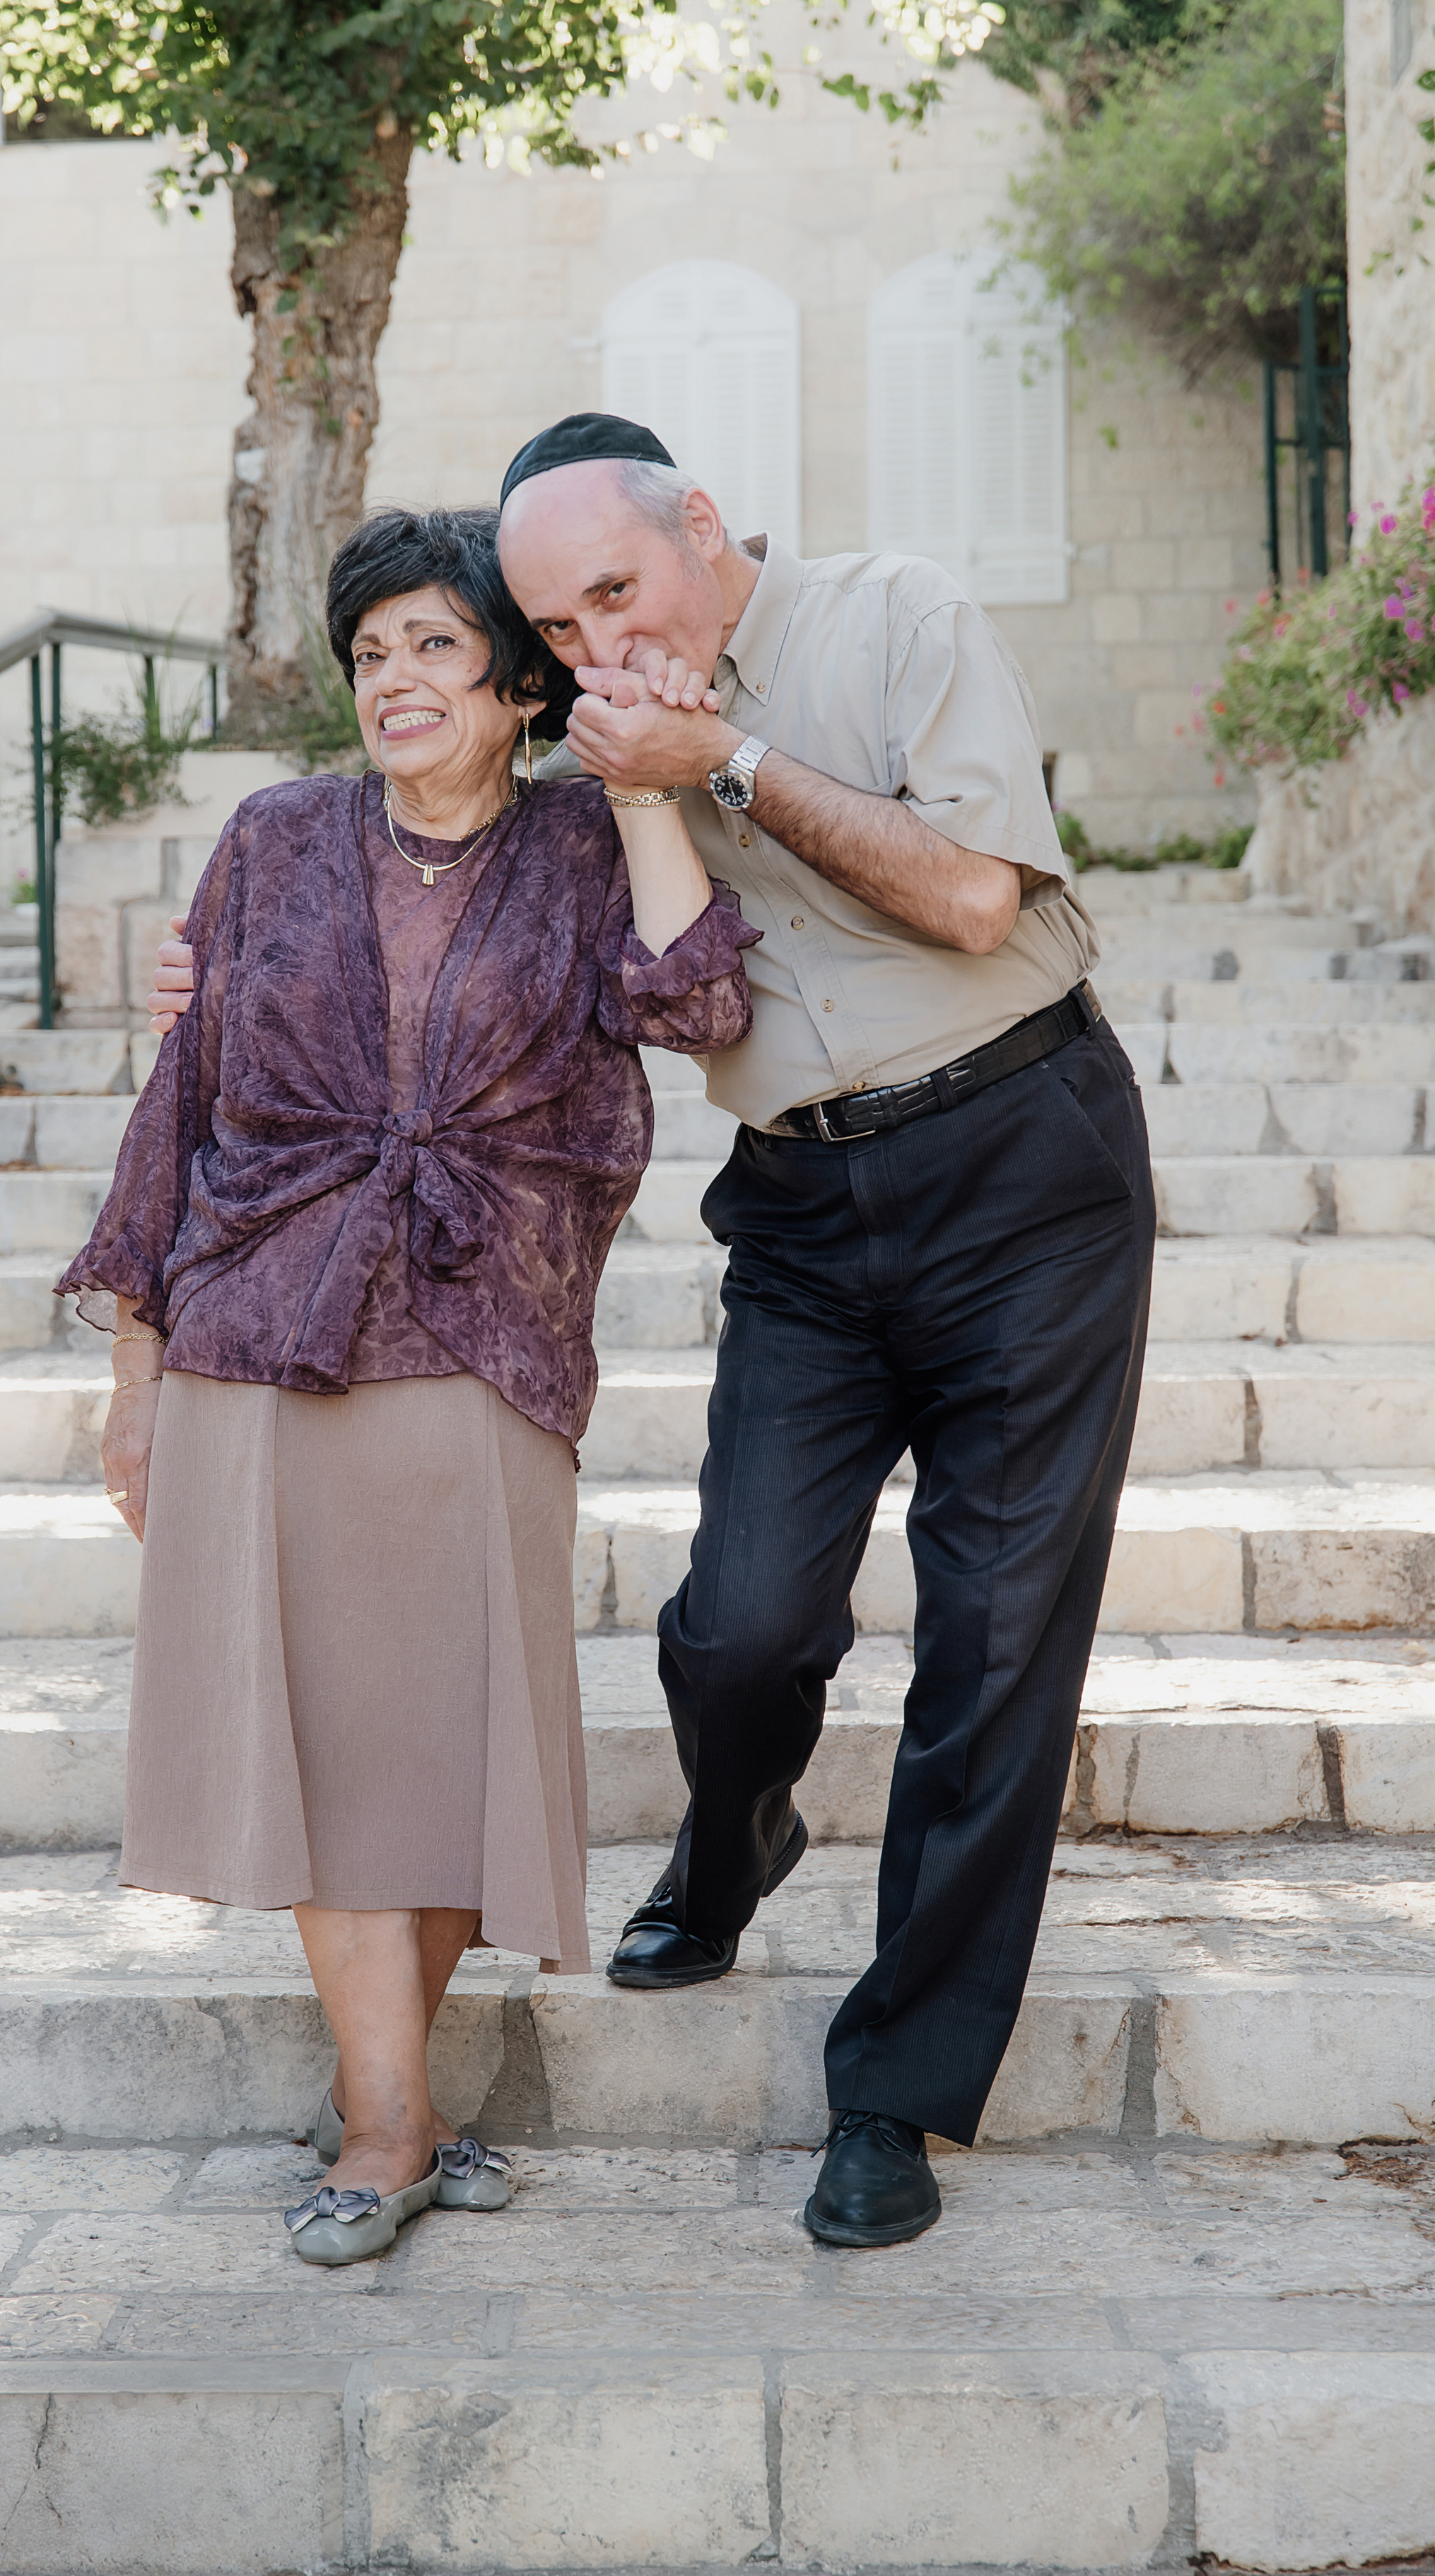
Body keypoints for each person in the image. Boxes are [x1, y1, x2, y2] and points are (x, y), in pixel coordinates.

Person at [62, 501, 756, 2269]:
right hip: (255, 1324)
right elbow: (186, 1101)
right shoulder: (274, 836)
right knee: (317, 1736)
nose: (396, 679)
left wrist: (644, 780)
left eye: (436, 645)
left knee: (441, 1746)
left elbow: (695, 1001)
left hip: (486, 1330)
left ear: (517, 683)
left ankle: (399, 2091)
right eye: (370, 653)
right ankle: (384, 2122)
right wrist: (134, 1363)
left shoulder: (587, 847)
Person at [491, 411, 1156, 2251]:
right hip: (798, 1203)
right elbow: (672, 1017)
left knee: (998, 1636)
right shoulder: (617, 761)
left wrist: (735, 760)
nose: (601, 651)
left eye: (618, 592)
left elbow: (966, 895)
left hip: (1025, 1158)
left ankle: (896, 2091)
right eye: (558, 633)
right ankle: (734, 1824)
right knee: (740, 1622)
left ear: (700, 527)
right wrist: (646, 792)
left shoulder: (896, 616)